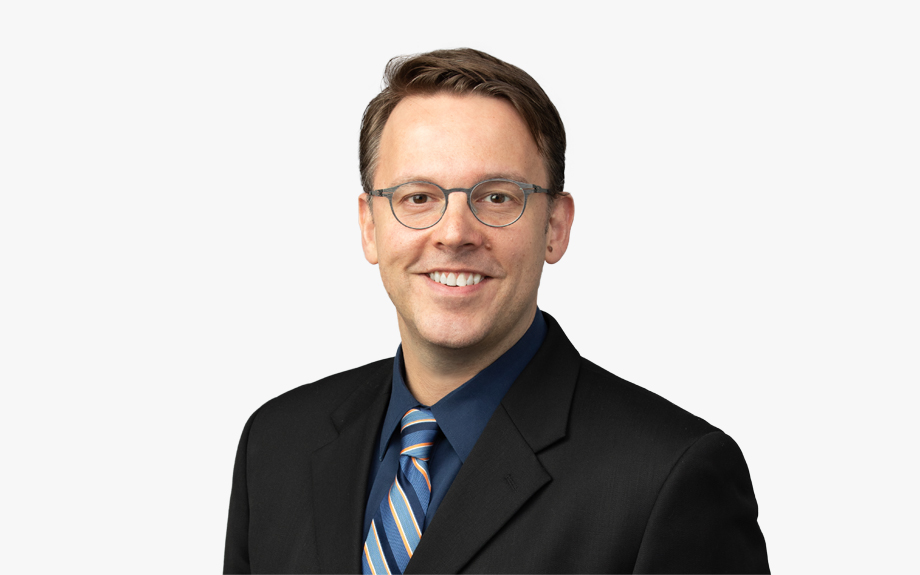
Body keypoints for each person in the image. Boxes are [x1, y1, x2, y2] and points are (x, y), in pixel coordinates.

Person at [223, 48, 769, 574]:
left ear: (555, 226)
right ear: (369, 226)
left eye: (497, 197)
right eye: (418, 197)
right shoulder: (276, 446)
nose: (455, 233)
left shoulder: (668, 477)